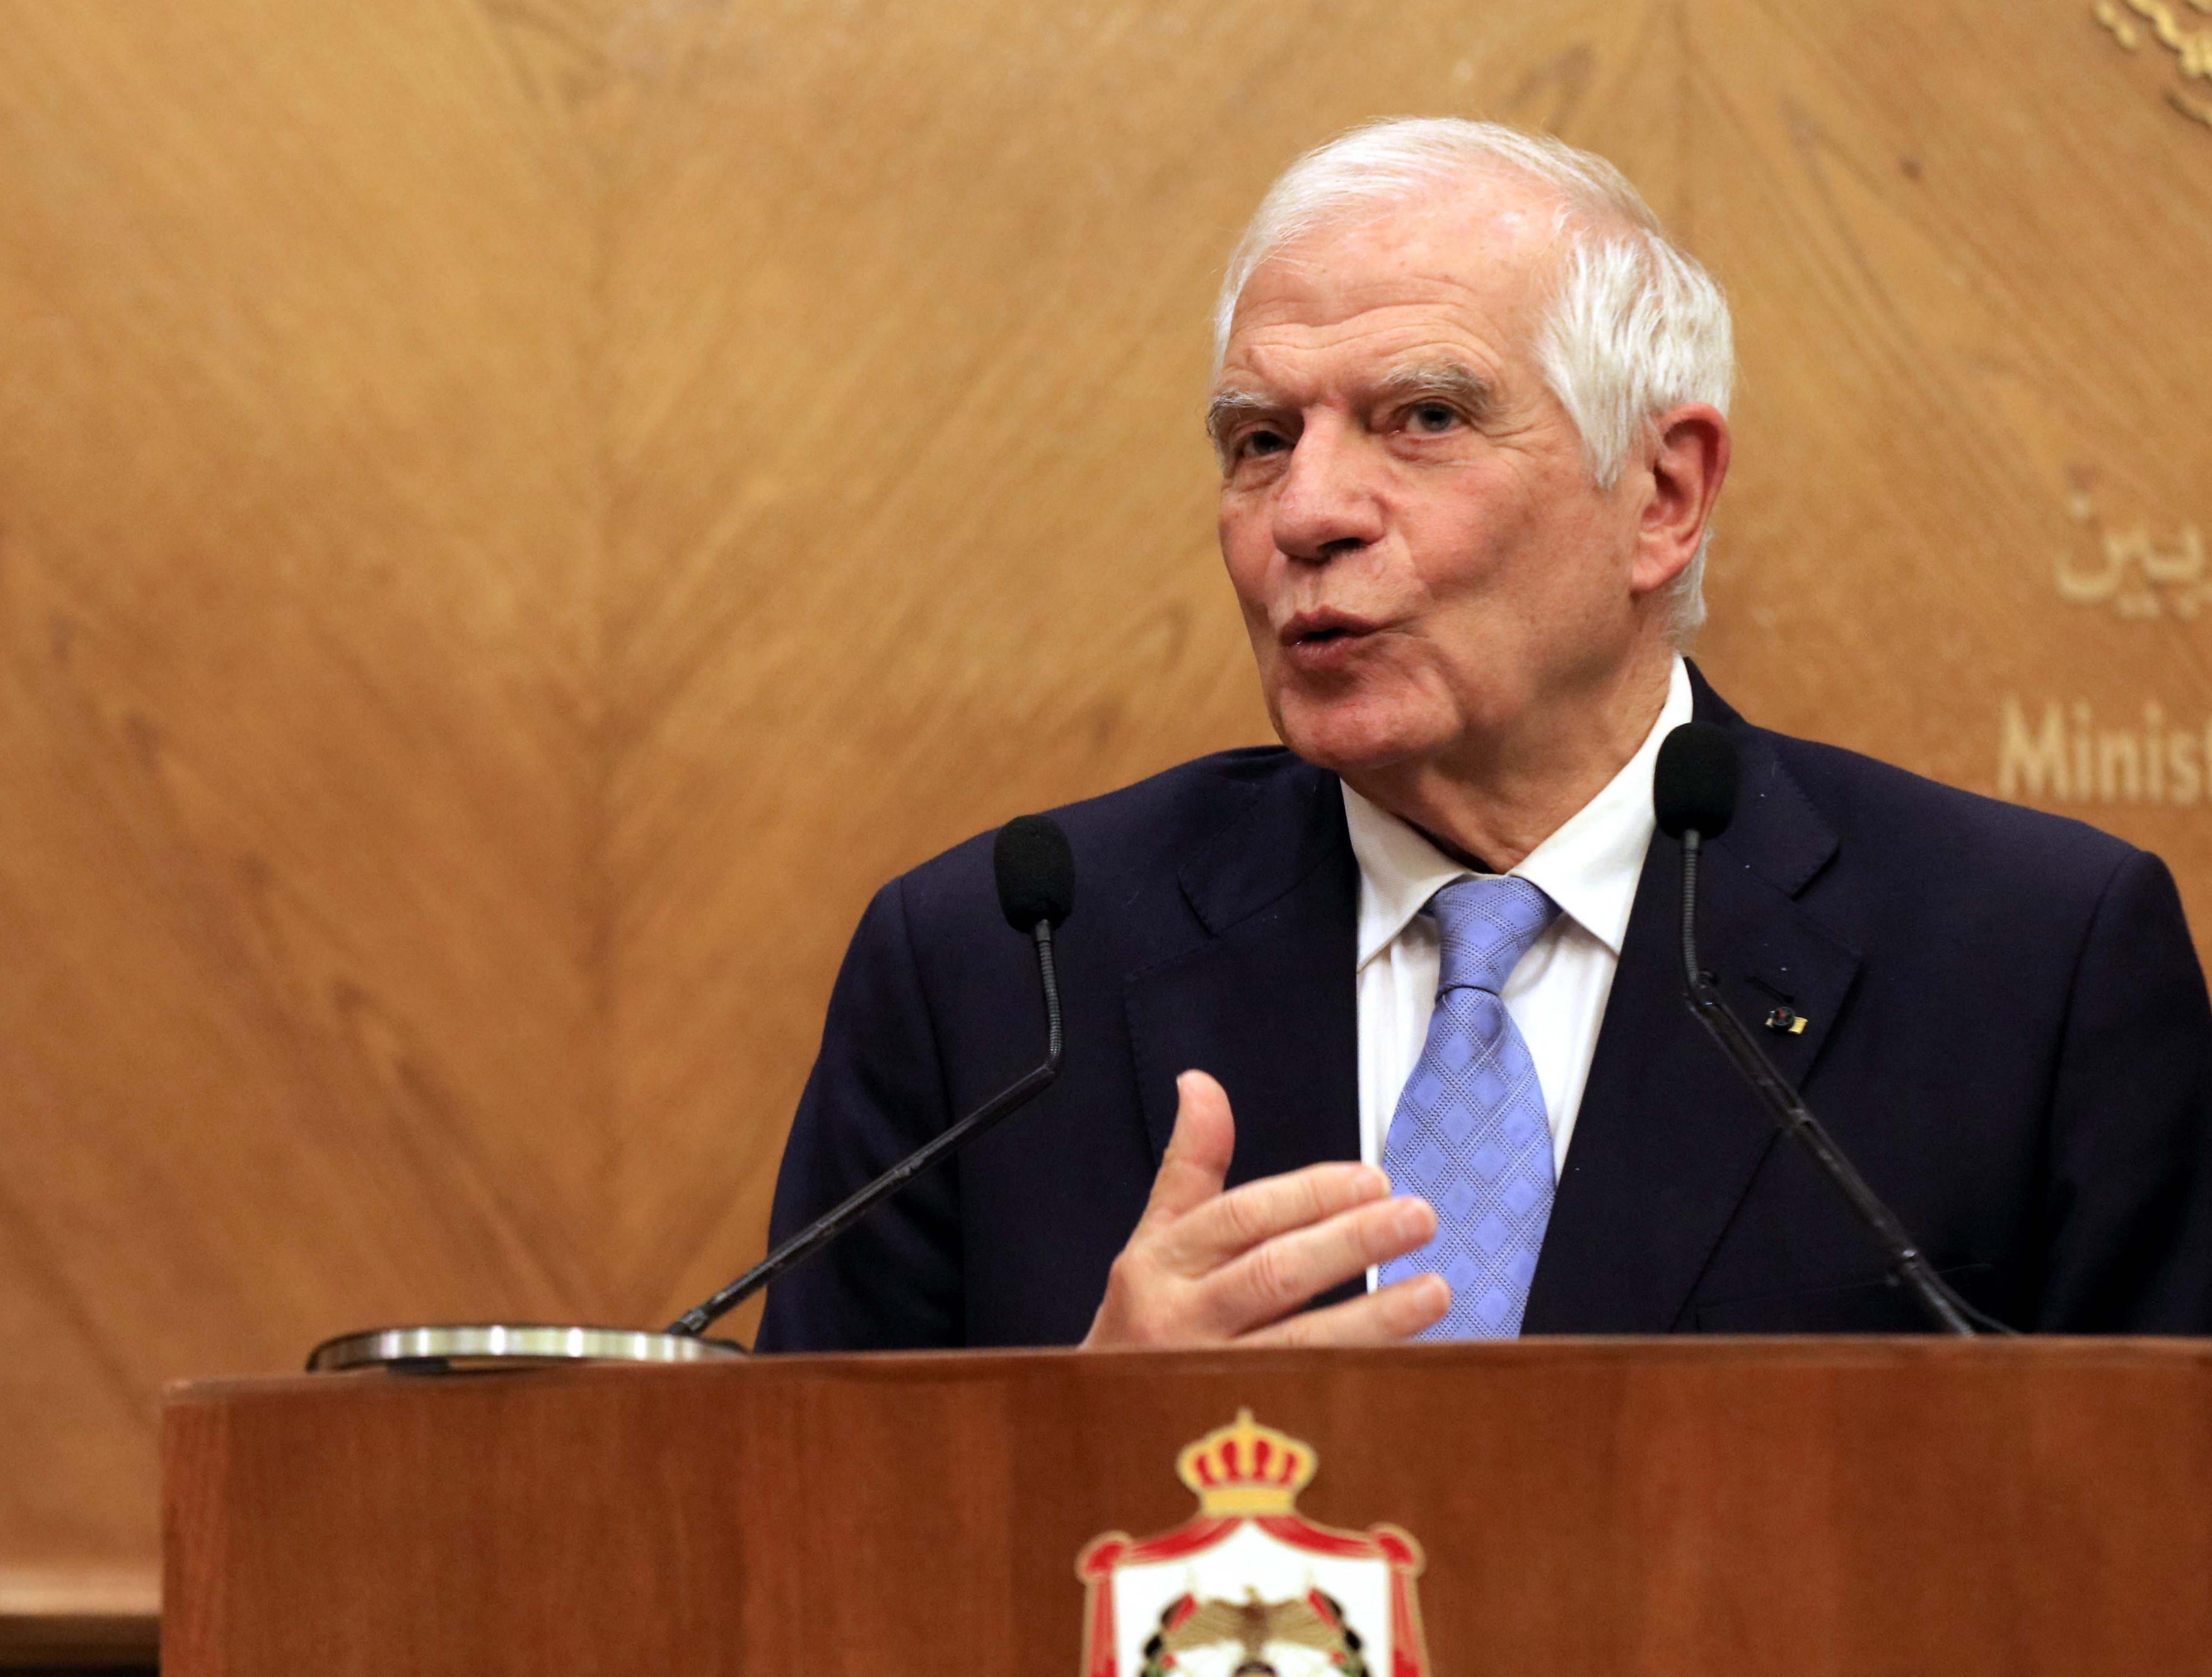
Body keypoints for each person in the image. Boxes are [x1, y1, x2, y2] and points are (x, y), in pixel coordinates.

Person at [757, 118, 2212, 1350]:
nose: (1308, 512)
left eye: (1424, 416)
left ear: (1660, 493)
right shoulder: (993, 977)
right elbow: (802, 1560)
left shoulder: (2028, 968)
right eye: (1260, 438)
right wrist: (1069, 1449)